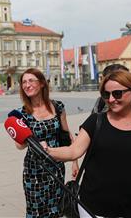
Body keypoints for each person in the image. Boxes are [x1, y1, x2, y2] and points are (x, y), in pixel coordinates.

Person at [46, 70, 131, 217]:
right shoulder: (95, 121)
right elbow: (74, 151)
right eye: (106, 94)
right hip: (93, 210)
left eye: (117, 93)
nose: (110, 99)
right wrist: (48, 150)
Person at [13, 68, 79, 217]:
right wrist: (25, 136)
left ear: (42, 83)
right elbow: (19, 146)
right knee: (36, 211)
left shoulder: (57, 107)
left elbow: (67, 136)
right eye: (24, 82)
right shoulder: (21, 114)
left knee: (56, 209)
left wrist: (75, 162)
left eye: (31, 81)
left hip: (56, 166)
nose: (26, 85)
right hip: (34, 170)